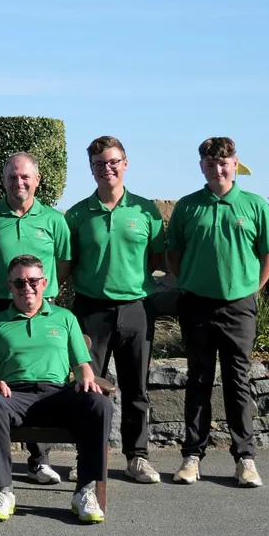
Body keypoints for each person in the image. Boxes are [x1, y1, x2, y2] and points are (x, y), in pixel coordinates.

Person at [167, 136, 269, 487]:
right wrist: (187, 282)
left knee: (237, 381)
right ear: (202, 166)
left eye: (224, 163)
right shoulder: (187, 207)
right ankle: (192, 456)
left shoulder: (255, 205)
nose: (218, 169)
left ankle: (245, 458)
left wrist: (250, 290)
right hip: (196, 303)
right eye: (211, 164)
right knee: (198, 379)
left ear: (235, 164)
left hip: (239, 307)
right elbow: (173, 255)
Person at [0, 254, 112, 523]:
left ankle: (84, 490)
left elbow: (82, 364)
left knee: (100, 403)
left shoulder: (65, 318)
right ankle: (4, 490)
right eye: (20, 282)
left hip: (58, 393)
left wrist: (86, 378)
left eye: (33, 280)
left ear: (44, 283)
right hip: (14, 394)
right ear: (9, 286)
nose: (28, 287)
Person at [0, 152, 71, 485]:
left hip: (42, 306)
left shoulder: (54, 220)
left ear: (37, 180)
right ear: (3, 180)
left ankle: (39, 460)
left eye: (25, 177)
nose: (19, 182)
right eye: (12, 177)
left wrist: (37, 292)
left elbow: (64, 264)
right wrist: (2, 290)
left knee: (39, 377)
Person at [64, 136, 165, 484]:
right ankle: (86, 457)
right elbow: (69, 263)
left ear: (125, 163)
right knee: (87, 388)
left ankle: (137, 457)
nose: (107, 169)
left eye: (113, 162)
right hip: (91, 310)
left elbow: (155, 259)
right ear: (90, 169)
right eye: (98, 164)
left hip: (136, 307)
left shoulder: (146, 211)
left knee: (137, 388)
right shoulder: (77, 214)